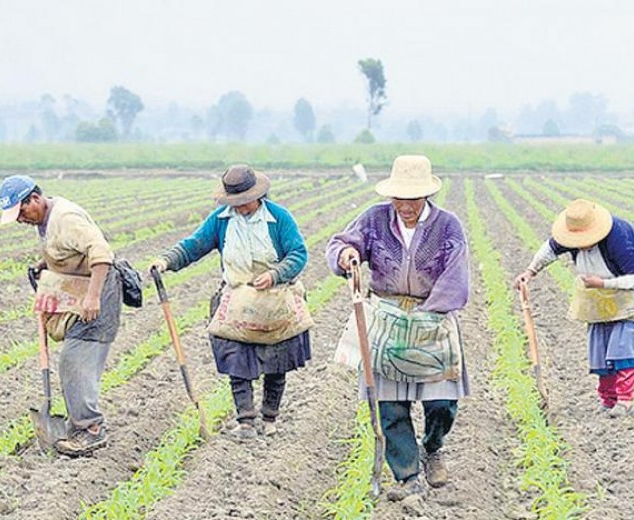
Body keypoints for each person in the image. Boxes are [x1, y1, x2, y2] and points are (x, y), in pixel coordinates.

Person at [326, 155, 470, 501]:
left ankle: (432, 447)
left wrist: (428, 314)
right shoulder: (375, 219)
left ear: (426, 196)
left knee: (441, 401)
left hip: (431, 318)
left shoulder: (448, 226)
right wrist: (346, 255)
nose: (405, 206)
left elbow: (456, 277)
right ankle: (407, 477)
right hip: (386, 316)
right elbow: (339, 243)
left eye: (412, 198)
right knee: (390, 406)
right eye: (399, 198)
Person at [149, 165, 311, 440]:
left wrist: (275, 275)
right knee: (236, 357)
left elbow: (298, 253)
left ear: (258, 195)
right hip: (237, 296)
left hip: (276, 297)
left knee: (277, 360)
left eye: (245, 202)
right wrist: (166, 260)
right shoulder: (221, 219)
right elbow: (194, 245)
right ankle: (246, 420)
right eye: (235, 202)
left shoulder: (279, 218)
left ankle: (269, 417)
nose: (241, 207)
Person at [0, 175, 121, 456]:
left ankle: (91, 430)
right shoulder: (45, 220)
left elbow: (101, 254)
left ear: (35, 199)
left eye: (21, 211)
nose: (20, 219)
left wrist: (93, 297)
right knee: (75, 359)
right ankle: (79, 423)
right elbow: (67, 249)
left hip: (99, 294)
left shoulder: (66, 217)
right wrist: (45, 263)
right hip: (79, 293)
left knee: (74, 359)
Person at [515, 198, 634, 415]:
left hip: (630, 288)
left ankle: (624, 400)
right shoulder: (570, 234)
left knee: (624, 344)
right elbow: (550, 249)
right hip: (597, 290)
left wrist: (604, 283)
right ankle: (608, 399)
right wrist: (530, 271)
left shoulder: (617, 238)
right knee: (601, 344)